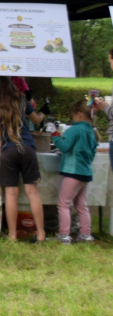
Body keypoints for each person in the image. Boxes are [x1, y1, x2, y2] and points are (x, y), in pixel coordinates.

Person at [0, 75, 44, 242]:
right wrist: (43, 113)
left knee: (11, 193)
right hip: (27, 147)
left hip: (8, 150)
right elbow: (36, 119)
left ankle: (12, 234)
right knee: (33, 191)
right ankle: (41, 234)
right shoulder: (21, 101)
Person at [52, 100, 98, 244]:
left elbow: (64, 147)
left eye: (72, 115)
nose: (72, 118)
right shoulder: (92, 132)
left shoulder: (74, 130)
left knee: (63, 204)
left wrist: (55, 135)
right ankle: (85, 234)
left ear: (79, 115)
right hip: (85, 172)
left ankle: (64, 234)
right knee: (81, 205)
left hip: (72, 172)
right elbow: (92, 152)